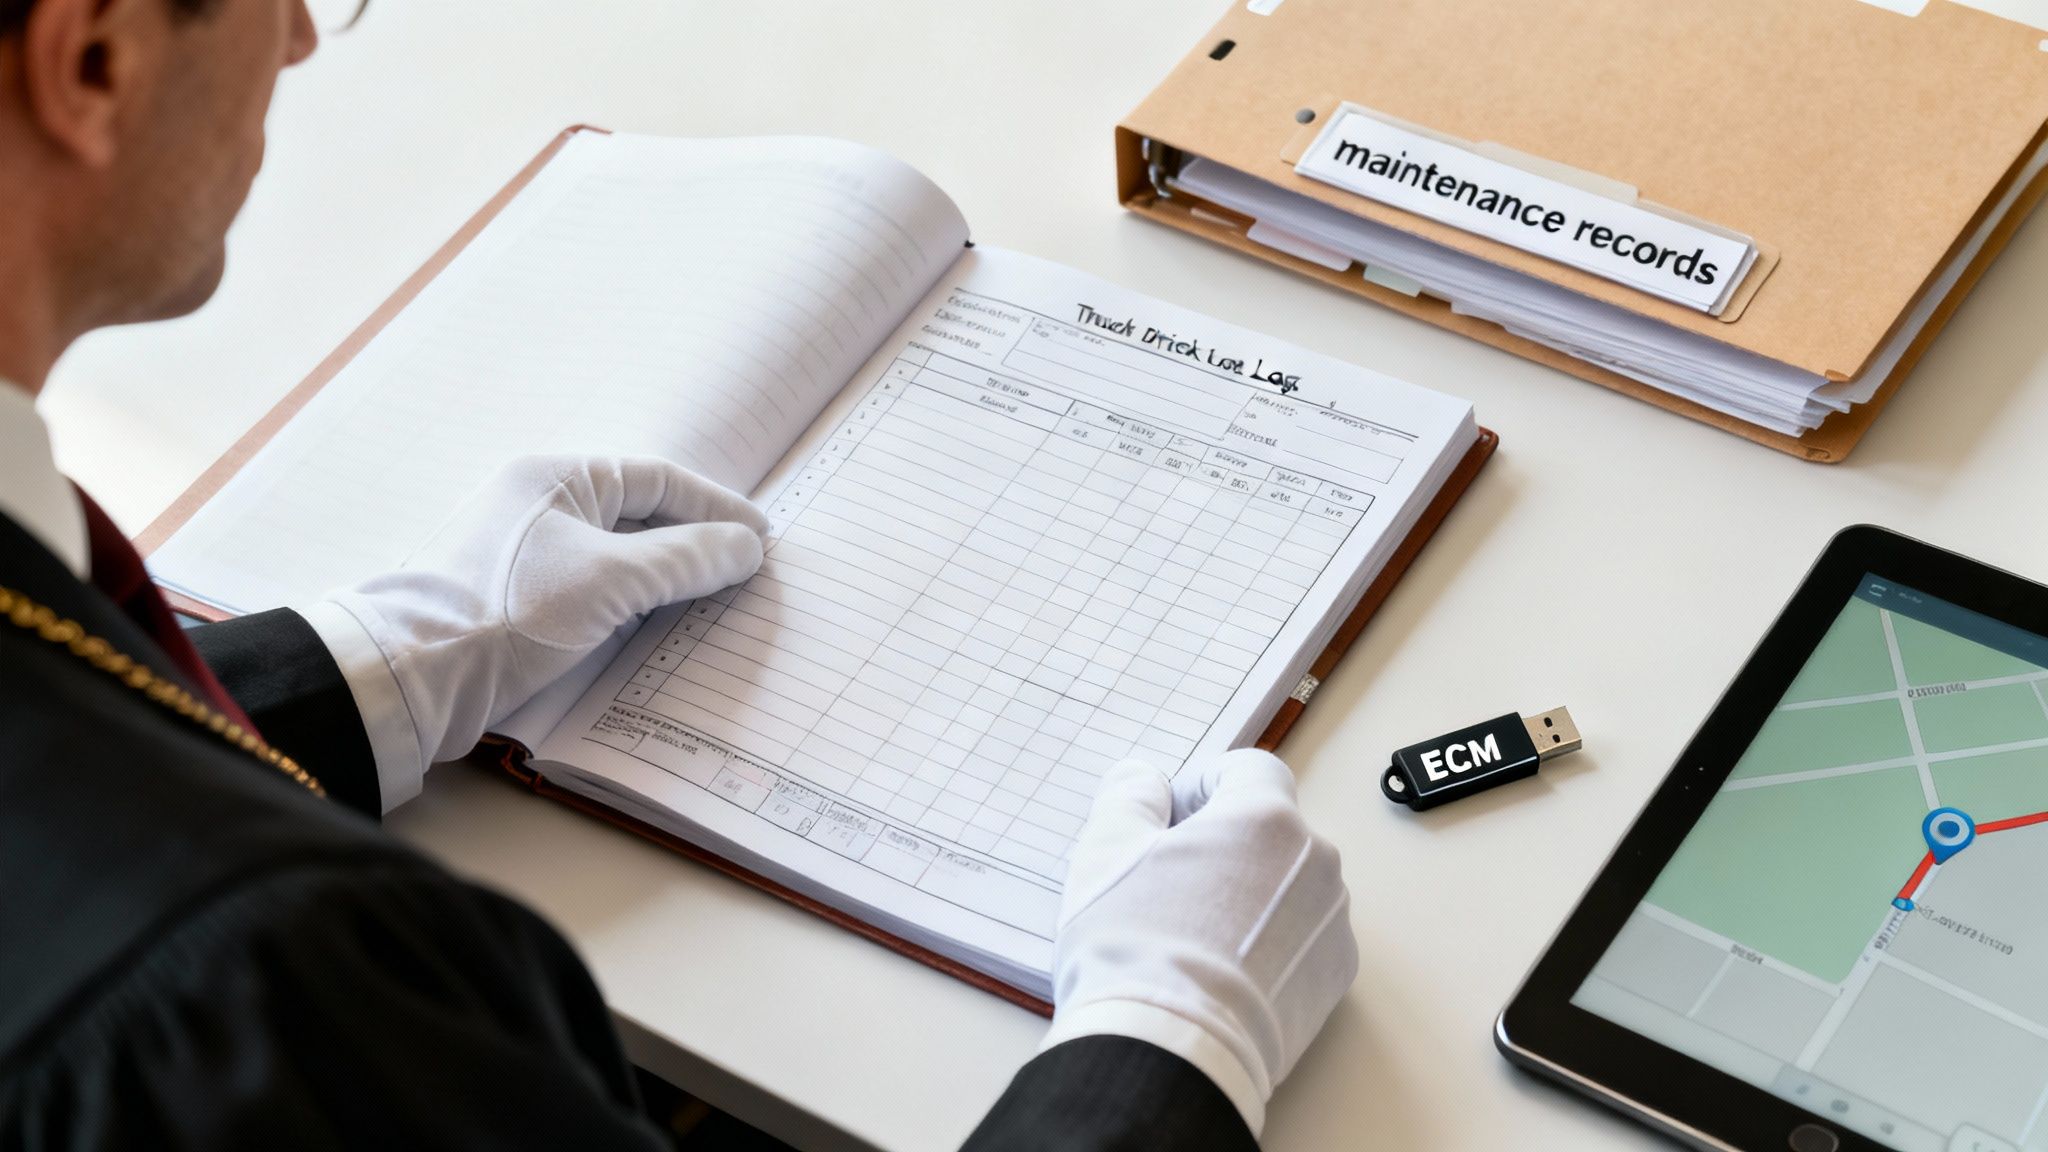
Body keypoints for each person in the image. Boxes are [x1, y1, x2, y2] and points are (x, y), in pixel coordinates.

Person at [0, 1, 1359, 1148]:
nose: (298, 39)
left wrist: (387, 663)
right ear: (93, 63)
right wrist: (1167, 1048)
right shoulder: (273, 1004)